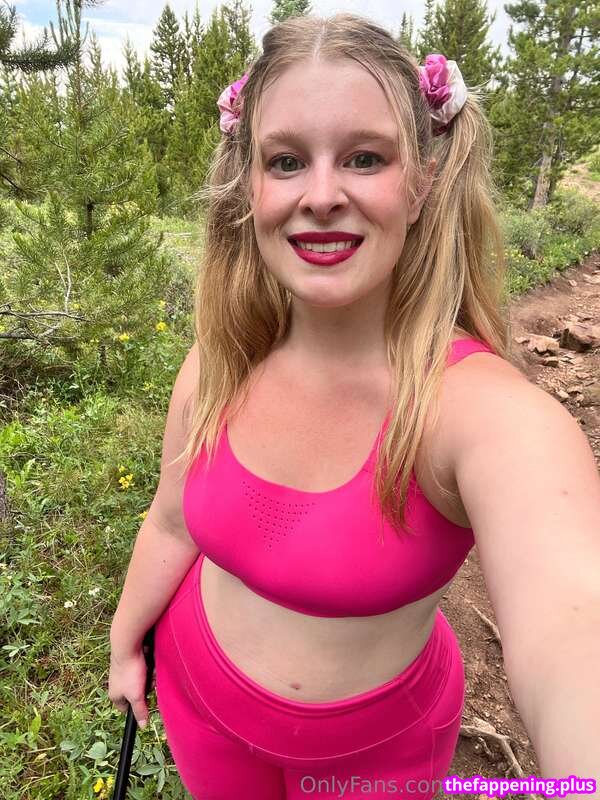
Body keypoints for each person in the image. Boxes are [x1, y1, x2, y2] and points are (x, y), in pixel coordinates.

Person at [108, 13, 600, 800]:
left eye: (365, 157)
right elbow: (171, 521)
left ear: (423, 181)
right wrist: (125, 638)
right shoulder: (218, 365)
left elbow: (573, 625)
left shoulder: (486, 417)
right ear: (250, 186)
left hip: (381, 755)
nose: (322, 196)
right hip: (198, 700)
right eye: (286, 161)